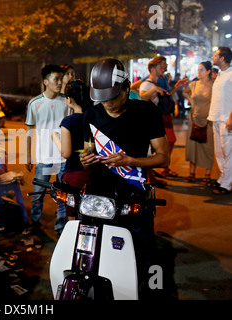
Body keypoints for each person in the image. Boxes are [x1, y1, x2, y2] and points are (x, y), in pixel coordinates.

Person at [79, 58, 170, 298]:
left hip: (133, 195)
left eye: (112, 97)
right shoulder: (91, 113)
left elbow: (163, 158)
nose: (107, 103)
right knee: (92, 253)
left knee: (145, 253)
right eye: (102, 98)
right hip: (98, 197)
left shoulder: (146, 112)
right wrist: (85, 157)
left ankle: (154, 293)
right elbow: (87, 148)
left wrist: (131, 161)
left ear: (126, 89)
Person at [25, 64, 69, 235]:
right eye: (56, 79)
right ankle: (35, 224)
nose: (60, 82)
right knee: (38, 195)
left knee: (62, 197)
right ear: (45, 82)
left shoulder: (66, 102)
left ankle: (61, 227)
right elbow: (29, 130)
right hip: (43, 157)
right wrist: (28, 155)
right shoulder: (35, 104)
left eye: (61, 78)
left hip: (63, 157)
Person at [139, 56, 188, 179]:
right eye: (161, 67)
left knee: (165, 143)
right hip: (149, 121)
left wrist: (176, 86)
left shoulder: (159, 82)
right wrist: (154, 89)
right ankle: (150, 175)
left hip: (160, 119)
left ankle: (155, 170)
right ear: (153, 69)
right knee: (152, 147)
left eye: (165, 67)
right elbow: (142, 97)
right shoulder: (147, 84)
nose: (164, 69)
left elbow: (167, 94)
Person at [51, 79, 92, 218]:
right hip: (93, 173)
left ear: (70, 100)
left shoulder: (68, 121)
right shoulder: (94, 118)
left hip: (75, 174)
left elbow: (66, 153)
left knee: (73, 217)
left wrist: (55, 138)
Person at [182, 61, 215, 184]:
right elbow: (184, 92)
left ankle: (208, 174)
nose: (198, 72)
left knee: (208, 147)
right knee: (193, 147)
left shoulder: (213, 84)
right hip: (194, 118)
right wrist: (191, 100)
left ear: (208, 71)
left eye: (201, 70)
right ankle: (192, 173)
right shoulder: (194, 84)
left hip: (208, 120)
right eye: (198, 70)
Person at [207, 47, 232, 195]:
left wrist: (230, 119)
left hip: (226, 120)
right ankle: (224, 178)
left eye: (215, 55)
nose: (213, 57)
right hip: (216, 119)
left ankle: (227, 184)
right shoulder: (221, 74)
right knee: (220, 153)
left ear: (222, 58)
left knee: (228, 153)